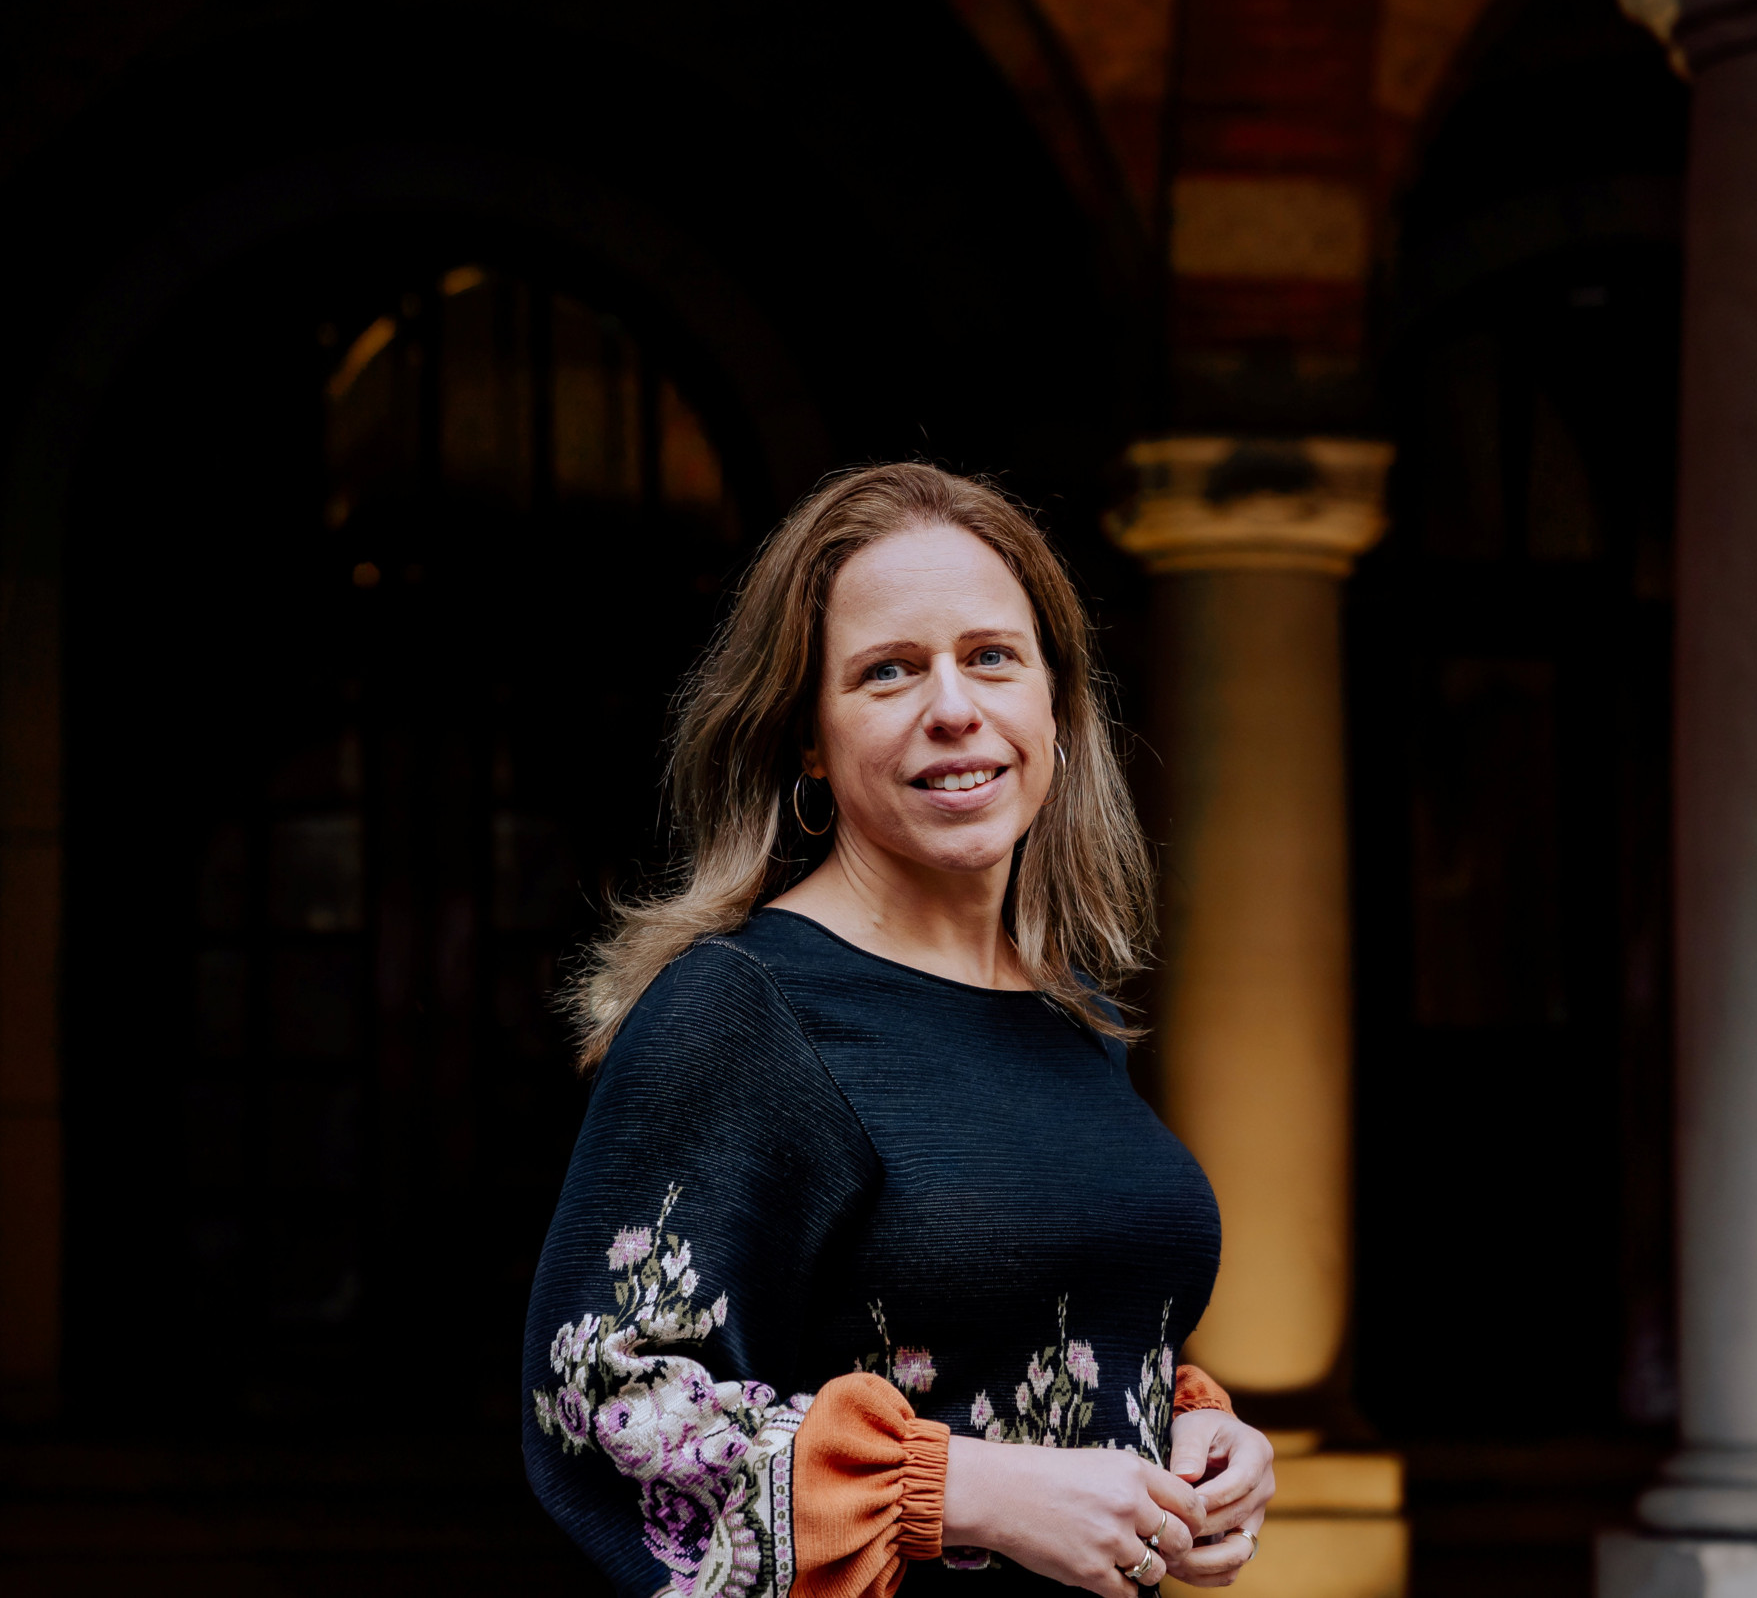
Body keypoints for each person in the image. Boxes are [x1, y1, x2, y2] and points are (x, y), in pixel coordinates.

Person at [523, 463, 1276, 1598]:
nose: (953, 707)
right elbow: (605, 1403)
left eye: (990, 656)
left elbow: (989, 1319)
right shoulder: (741, 1008)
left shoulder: (1065, 1007)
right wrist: (961, 1489)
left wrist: (1186, 1426)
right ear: (808, 740)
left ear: (1056, 706)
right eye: (888, 671)